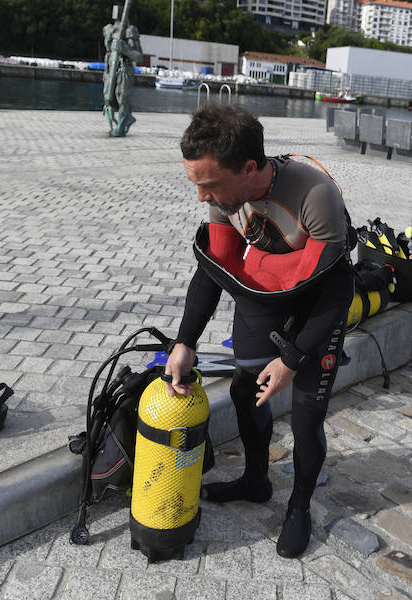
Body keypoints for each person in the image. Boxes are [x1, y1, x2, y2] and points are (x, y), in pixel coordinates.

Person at [164, 105, 354, 558]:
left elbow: (337, 293)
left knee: (307, 419)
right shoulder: (220, 199)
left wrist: (292, 360)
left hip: (315, 311)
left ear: (249, 168)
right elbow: (213, 270)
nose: (201, 196)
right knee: (247, 398)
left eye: (208, 184)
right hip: (262, 299)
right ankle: (256, 480)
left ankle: (300, 505)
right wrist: (184, 342)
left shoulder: (314, 193)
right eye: (196, 184)